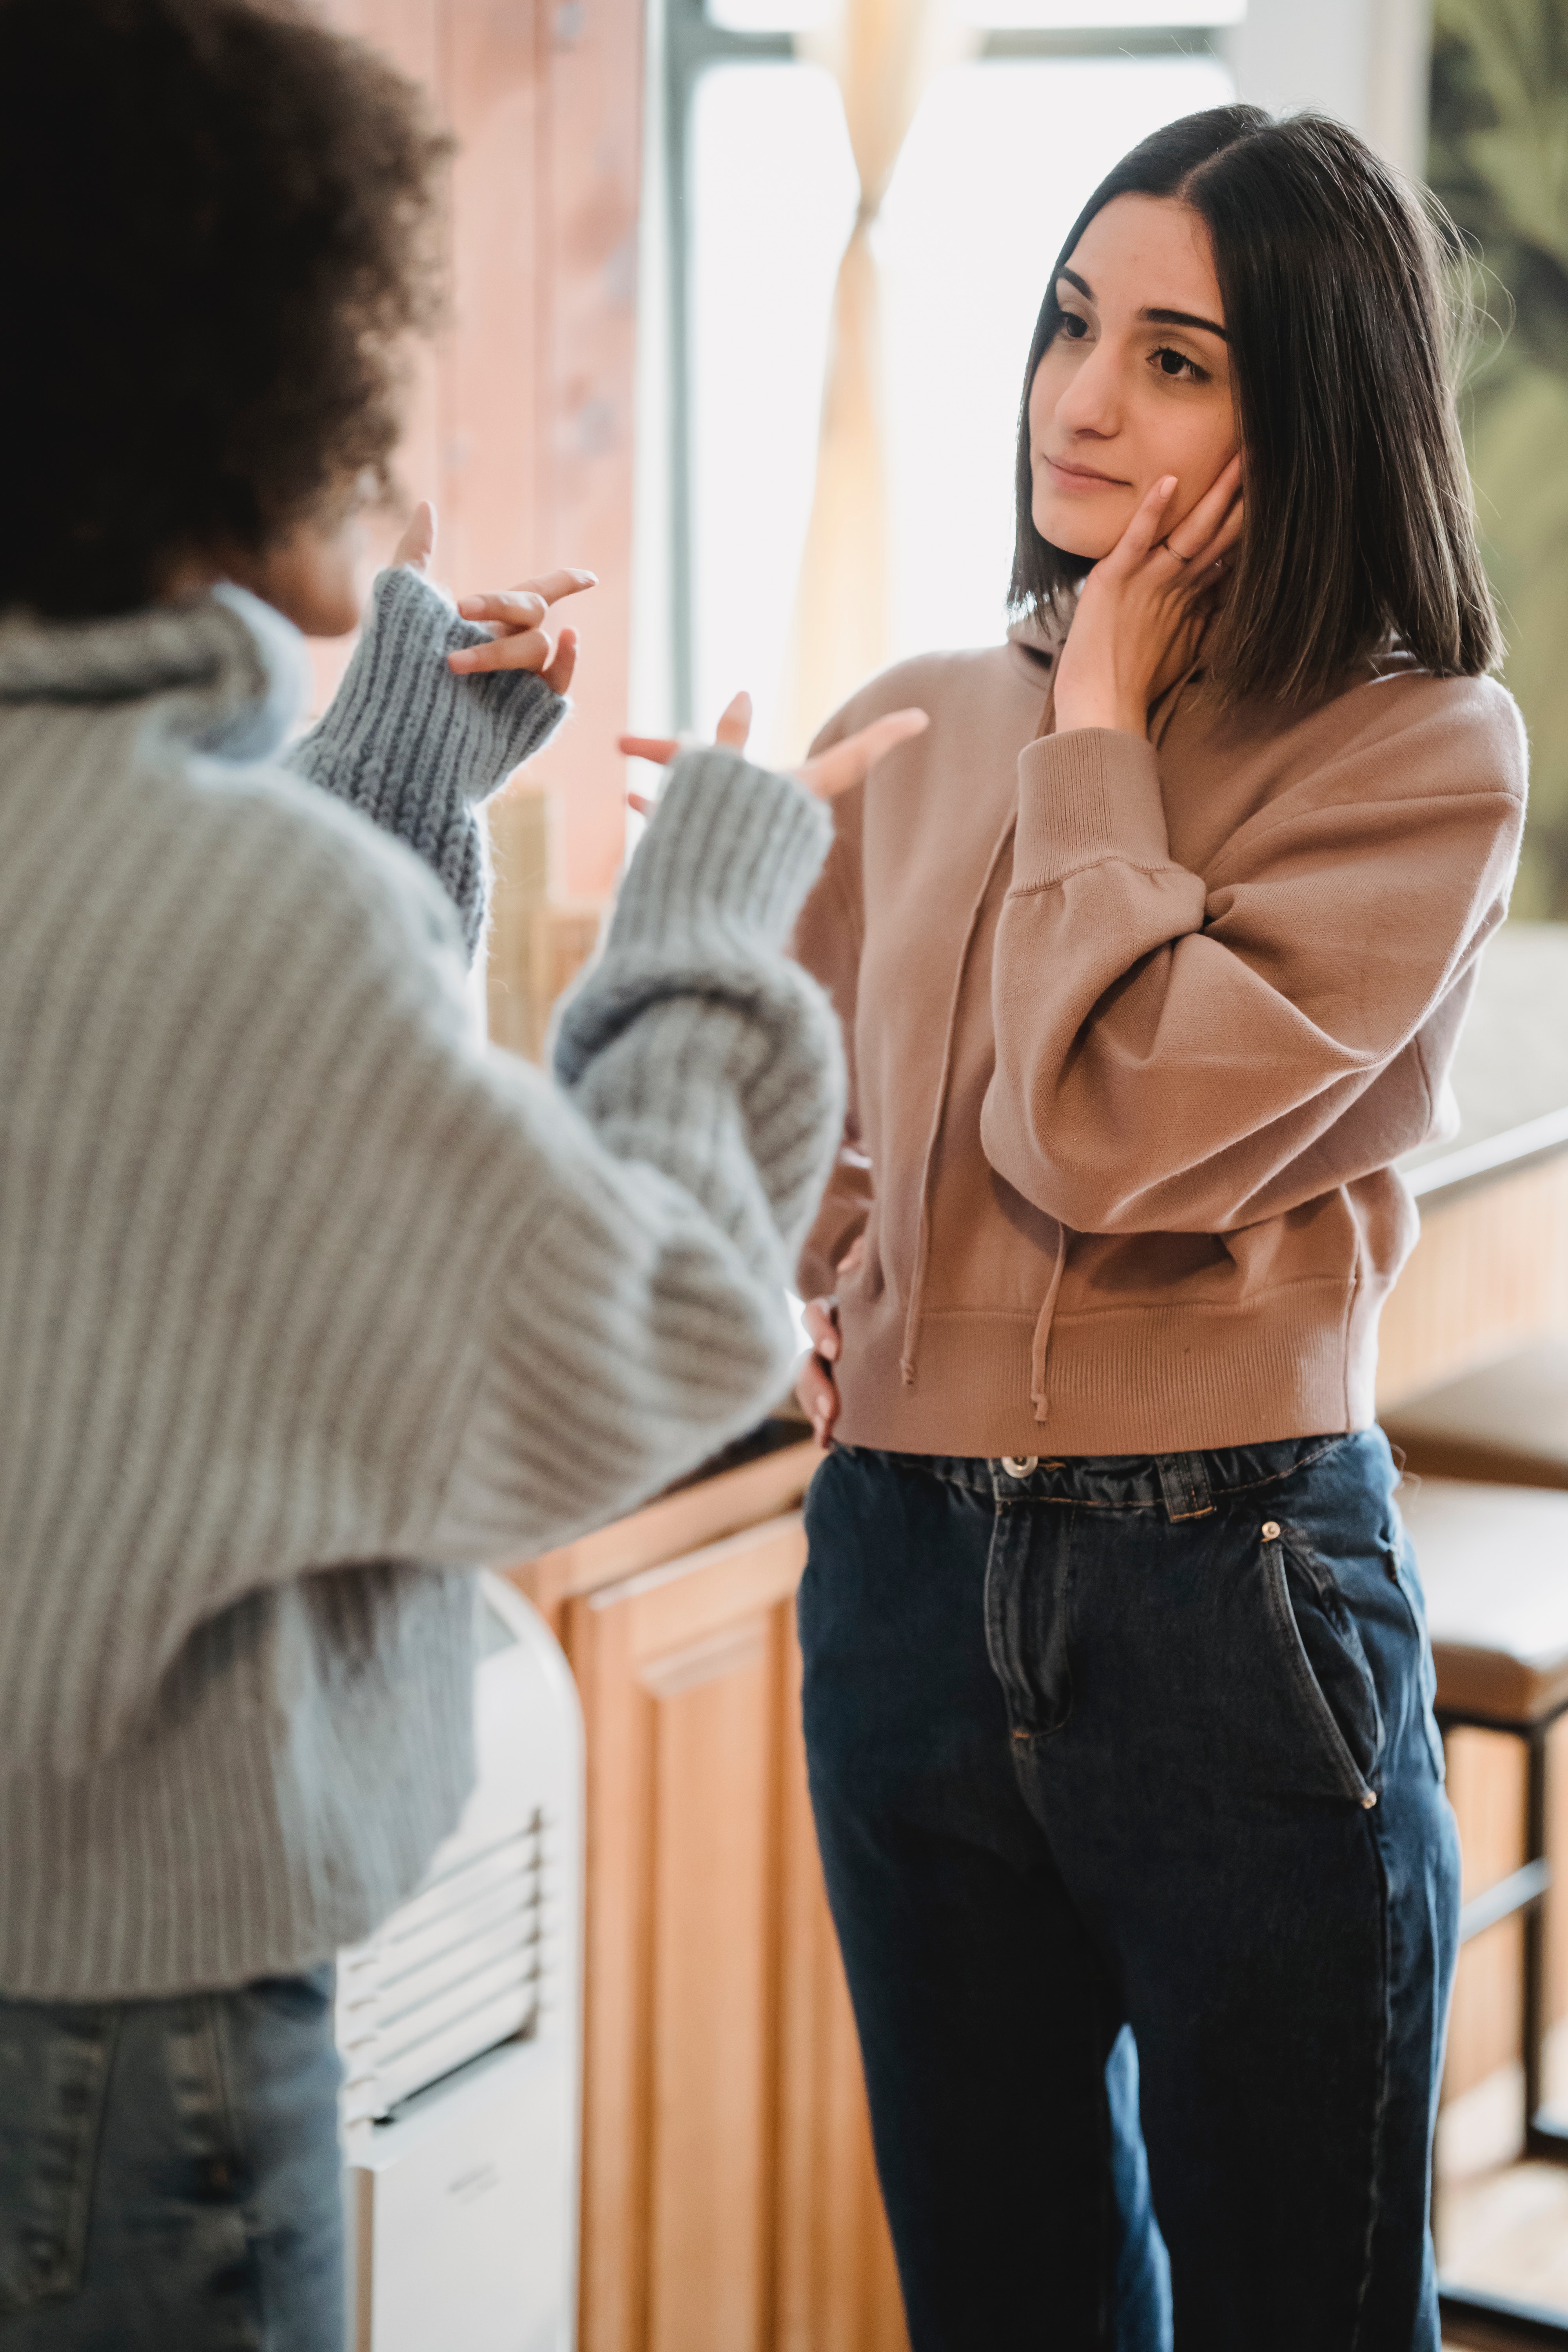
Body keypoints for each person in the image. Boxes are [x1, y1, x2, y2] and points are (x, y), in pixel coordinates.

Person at [0, 2, 924, 2345]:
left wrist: (404, 756)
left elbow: (151, 1041)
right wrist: (720, 904)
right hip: (130, 2042)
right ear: (231, 373)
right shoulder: (232, 907)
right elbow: (659, 1336)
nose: (407, 453)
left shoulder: (107, 834)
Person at [792, 104, 1525, 2352]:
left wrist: (1097, 718)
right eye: (1075, 329)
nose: (1086, 399)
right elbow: (818, 1108)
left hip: (1240, 1607)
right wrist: (825, 1294)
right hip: (903, 1587)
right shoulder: (911, 720)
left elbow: (1108, 1129)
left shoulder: (1422, 757)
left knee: (1305, 2311)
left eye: (1182, 360)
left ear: (1312, 405)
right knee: (1005, 2307)